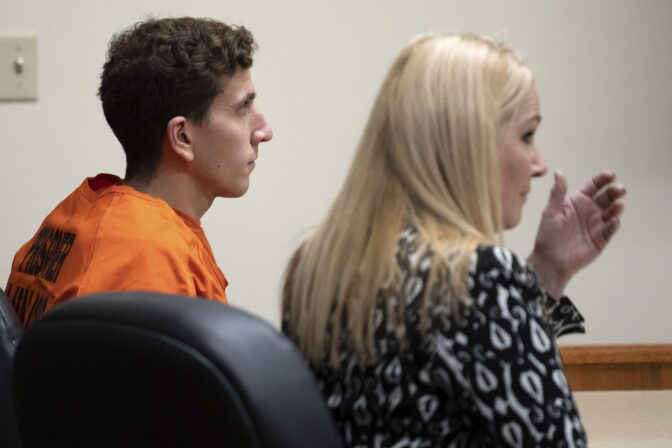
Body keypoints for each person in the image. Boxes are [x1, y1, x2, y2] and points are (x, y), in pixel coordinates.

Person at [282, 32, 625, 447]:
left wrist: (546, 271)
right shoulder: (477, 278)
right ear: (470, 142)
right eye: (527, 136)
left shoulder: (316, 266)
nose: (538, 164)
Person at [5, 17, 273, 326]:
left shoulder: (73, 217)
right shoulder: (154, 259)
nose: (264, 131)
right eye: (242, 109)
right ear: (183, 137)